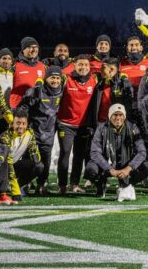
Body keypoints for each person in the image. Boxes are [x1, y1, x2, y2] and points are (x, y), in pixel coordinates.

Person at [84, 104, 148, 200]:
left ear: (124, 116)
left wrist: (128, 168)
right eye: (115, 115)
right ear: (109, 116)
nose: (118, 118)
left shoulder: (133, 128)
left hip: (126, 165)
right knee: (90, 168)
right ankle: (101, 185)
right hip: (108, 165)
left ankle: (127, 184)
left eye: (120, 115)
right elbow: (95, 152)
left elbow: (142, 152)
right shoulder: (101, 128)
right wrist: (109, 169)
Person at [18, 65, 64, 195]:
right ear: (46, 78)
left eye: (57, 78)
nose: (55, 81)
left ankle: (41, 185)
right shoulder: (37, 91)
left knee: (46, 162)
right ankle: (24, 183)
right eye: (52, 78)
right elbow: (22, 109)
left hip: (48, 134)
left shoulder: (63, 92)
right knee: (29, 160)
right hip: (33, 133)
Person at [56, 55, 98, 194]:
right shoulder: (66, 78)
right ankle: (62, 185)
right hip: (65, 124)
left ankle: (74, 184)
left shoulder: (94, 79)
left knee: (79, 155)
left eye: (86, 65)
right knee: (65, 153)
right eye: (80, 65)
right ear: (74, 65)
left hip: (84, 126)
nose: (83, 67)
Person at [0, 109, 43, 203]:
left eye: (23, 123)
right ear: (12, 123)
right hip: (1, 168)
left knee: (39, 166)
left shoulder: (30, 133)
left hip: (15, 164)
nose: (21, 126)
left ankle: (17, 185)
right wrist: (16, 191)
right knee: (4, 166)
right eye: (18, 123)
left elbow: (34, 152)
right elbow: (8, 162)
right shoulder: (5, 137)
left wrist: (35, 156)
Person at [90, 57, 134, 129]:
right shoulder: (99, 82)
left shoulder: (124, 83)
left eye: (104, 67)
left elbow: (129, 106)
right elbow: (94, 106)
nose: (101, 70)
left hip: (118, 124)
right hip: (101, 123)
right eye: (102, 67)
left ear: (113, 69)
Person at [119, 36, 148, 123]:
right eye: (131, 45)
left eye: (136, 45)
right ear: (127, 48)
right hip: (128, 108)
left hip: (145, 107)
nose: (134, 47)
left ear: (141, 47)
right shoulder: (121, 64)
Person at [10, 37, 46, 109]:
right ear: (23, 50)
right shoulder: (14, 66)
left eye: (35, 47)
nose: (33, 50)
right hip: (17, 109)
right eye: (30, 47)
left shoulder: (42, 66)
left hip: (36, 108)